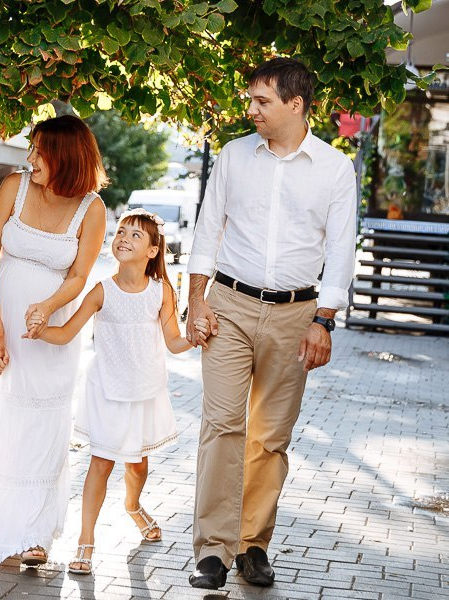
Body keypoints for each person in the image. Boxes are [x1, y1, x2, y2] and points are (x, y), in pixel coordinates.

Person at [186, 58, 357, 589]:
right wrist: (197, 300)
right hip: (230, 305)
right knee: (222, 423)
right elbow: (208, 227)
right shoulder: (235, 156)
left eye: (262, 101)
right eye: (251, 100)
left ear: (295, 104)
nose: (251, 109)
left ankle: (252, 545)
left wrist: (323, 320)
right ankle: (212, 549)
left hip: (296, 313)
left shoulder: (334, 168)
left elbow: (340, 247)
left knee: (269, 436)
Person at [29, 209, 208, 575]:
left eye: (136, 235)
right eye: (122, 231)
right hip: (107, 391)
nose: (124, 237)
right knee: (101, 464)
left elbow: (173, 341)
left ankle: (132, 504)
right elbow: (65, 334)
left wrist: (195, 337)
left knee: (138, 463)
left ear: (153, 251)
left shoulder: (161, 292)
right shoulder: (101, 291)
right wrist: (39, 330)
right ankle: (86, 541)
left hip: (144, 392)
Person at [0, 115, 108, 566]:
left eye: (39, 152)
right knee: (6, 421)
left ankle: (36, 535)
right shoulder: (14, 186)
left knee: (46, 425)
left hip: (50, 329)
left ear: (65, 157)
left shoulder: (93, 209)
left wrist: (48, 305)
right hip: (4, 320)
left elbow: (80, 275)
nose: (30, 159)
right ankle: (2, 525)